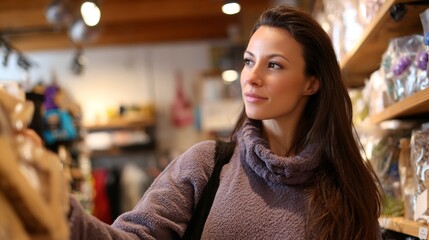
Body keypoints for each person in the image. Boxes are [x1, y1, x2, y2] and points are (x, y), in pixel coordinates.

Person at [68, 5, 382, 240]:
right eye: (249, 61)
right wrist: (62, 211)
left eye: (273, 65)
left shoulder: (347, 187)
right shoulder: (207, 163)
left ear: (311, 83)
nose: (252, 78)